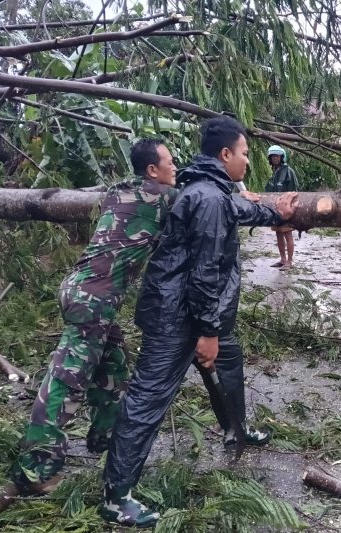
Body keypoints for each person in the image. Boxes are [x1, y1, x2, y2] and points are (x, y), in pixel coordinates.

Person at [100, 116, 298, 527]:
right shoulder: (207, 197)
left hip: (190, 310)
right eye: (244, 154)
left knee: (229, 361)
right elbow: (206, 273)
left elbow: (236, 208)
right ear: (225, 155)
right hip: (179, 318)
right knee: (148, 399)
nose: (248, 161)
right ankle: (116, 496)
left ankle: (237, 429)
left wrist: (273, 210)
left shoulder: (207, 189)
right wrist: (207, 332)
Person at [10, 139, 178, 493]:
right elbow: (201, 198)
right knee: (65, 383)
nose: (175, 167)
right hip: (93, 301)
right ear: (152, 171)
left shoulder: (120, 191)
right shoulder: (158, 196)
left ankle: (105, 436)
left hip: (84, 292)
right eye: (170, 162)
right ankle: (36, 468)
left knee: (113, 364)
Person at [264, 145, 299, 269]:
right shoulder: (271, 172)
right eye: (272, 156)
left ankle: (289, 261)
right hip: (274, 209)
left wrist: (291, 209)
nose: (275, 158)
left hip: (286, 209)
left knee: (287, 234)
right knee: (278, 234)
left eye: (277, 156)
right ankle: (282, 259)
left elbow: (295, 191)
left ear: (281, 157)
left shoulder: (289, 171)